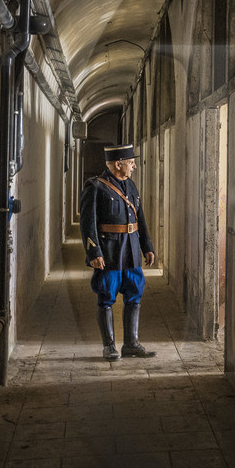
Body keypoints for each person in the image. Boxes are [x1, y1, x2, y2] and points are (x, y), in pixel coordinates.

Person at [79, 143, 156, 361]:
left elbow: (140, 218)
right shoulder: (95, 187)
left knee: (134, 293)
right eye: (131, 162)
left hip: (131, 250)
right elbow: (88, 223)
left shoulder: (131, 186)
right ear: (117, 164)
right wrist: (94, 253)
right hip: (110, 251)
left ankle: (131, 344)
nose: (134, 166)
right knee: (106, 295)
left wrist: (147, 246)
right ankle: (109, 346)